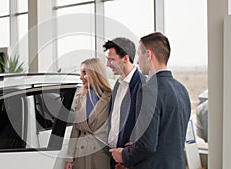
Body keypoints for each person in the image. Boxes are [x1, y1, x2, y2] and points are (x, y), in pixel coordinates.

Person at [109, 32, 191, 169]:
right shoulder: (182, 89)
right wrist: (135, 148)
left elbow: (147, 145)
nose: (137, 62)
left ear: (148, 54)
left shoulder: (149, 90)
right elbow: (167, 138)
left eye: (139, 56)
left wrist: (124, 155)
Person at [104, 37, 145, 169]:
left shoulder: (143, 86)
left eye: (111, 60)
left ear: (125, 59)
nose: (107, 64)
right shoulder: (117, 84)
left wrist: (129, 159)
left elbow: (145, 132)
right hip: (113, 156)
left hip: (129, 161)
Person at [65, 58, 112, 169]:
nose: (81, 77)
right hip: (81, 154)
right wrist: (69, 158)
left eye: (85, 73)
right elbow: (75, 129)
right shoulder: (80, 98)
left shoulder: (111, 97)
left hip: (101, 155)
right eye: (81, 73)